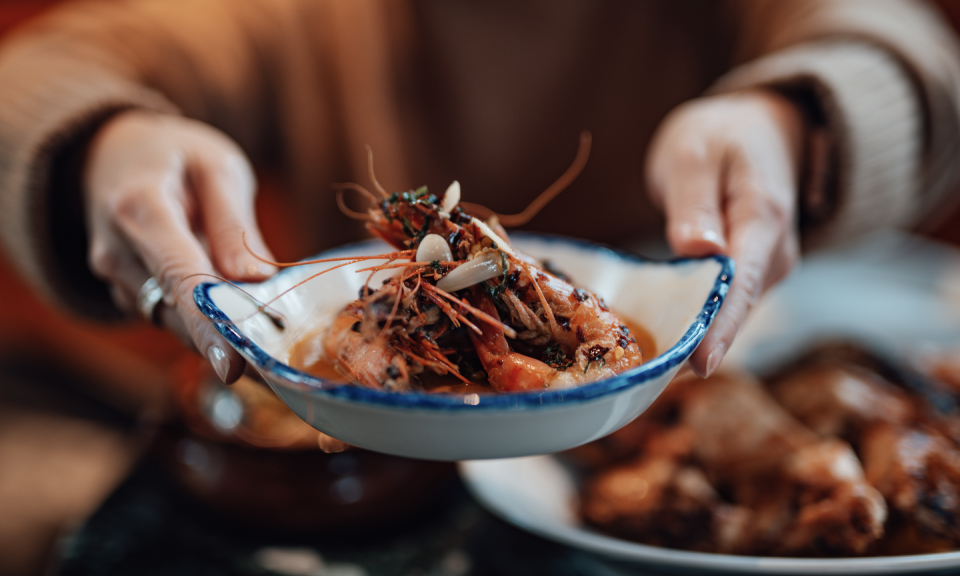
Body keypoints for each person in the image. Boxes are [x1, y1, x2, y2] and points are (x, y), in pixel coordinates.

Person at [0, 0, 958, 387]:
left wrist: (796, 117)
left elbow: (902, 50)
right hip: (390, 484)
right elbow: (47, 69)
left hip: (671, 413)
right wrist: (106, 135)